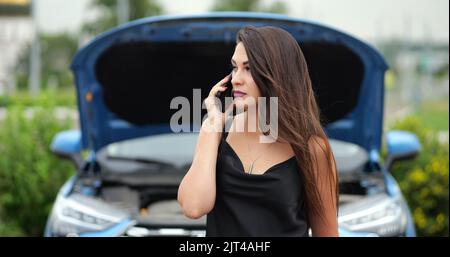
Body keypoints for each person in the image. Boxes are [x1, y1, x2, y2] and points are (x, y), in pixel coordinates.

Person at [177, 26, 339, 237]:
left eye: (249, 68)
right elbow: (193, 207)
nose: (236, 78)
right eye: (234, 67)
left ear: (277, 74)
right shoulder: (218, 133)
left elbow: (326, 234)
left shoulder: (312, 148)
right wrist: (211, 129)